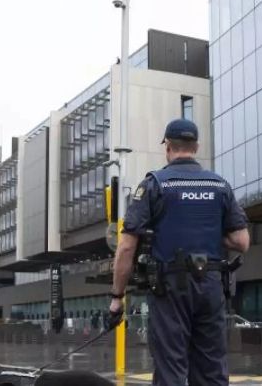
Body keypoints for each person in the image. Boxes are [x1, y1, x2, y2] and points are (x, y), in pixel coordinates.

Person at [109, 118, 250, 386]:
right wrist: (207, 232)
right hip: (211, 285)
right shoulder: (220, 186)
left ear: (167, 146)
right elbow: (242, 242)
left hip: (169, 288)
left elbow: (127, 246)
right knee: (211, 369)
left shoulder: (154, 184)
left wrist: (117, 297)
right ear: (195, 146)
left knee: (171, 368)